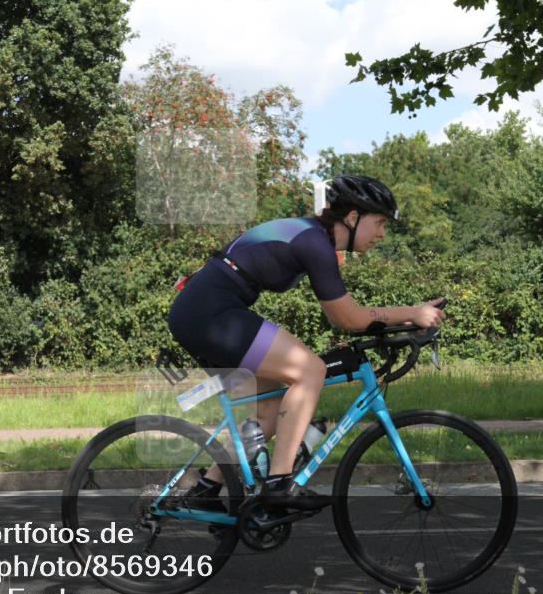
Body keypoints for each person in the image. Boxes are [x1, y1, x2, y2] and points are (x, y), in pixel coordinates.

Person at [166, 175, 445, 510]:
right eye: (380, 223)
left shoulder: (312, 236)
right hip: (211, 313)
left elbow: (344, 317)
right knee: (310, 370)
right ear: (353, 217)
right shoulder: (315, 243)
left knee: (272, 410)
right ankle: (279, 485)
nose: (382, 234)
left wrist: (401, 319)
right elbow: (346, 318)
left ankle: (205, 490)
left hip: (203, 311)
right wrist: (412, 313)